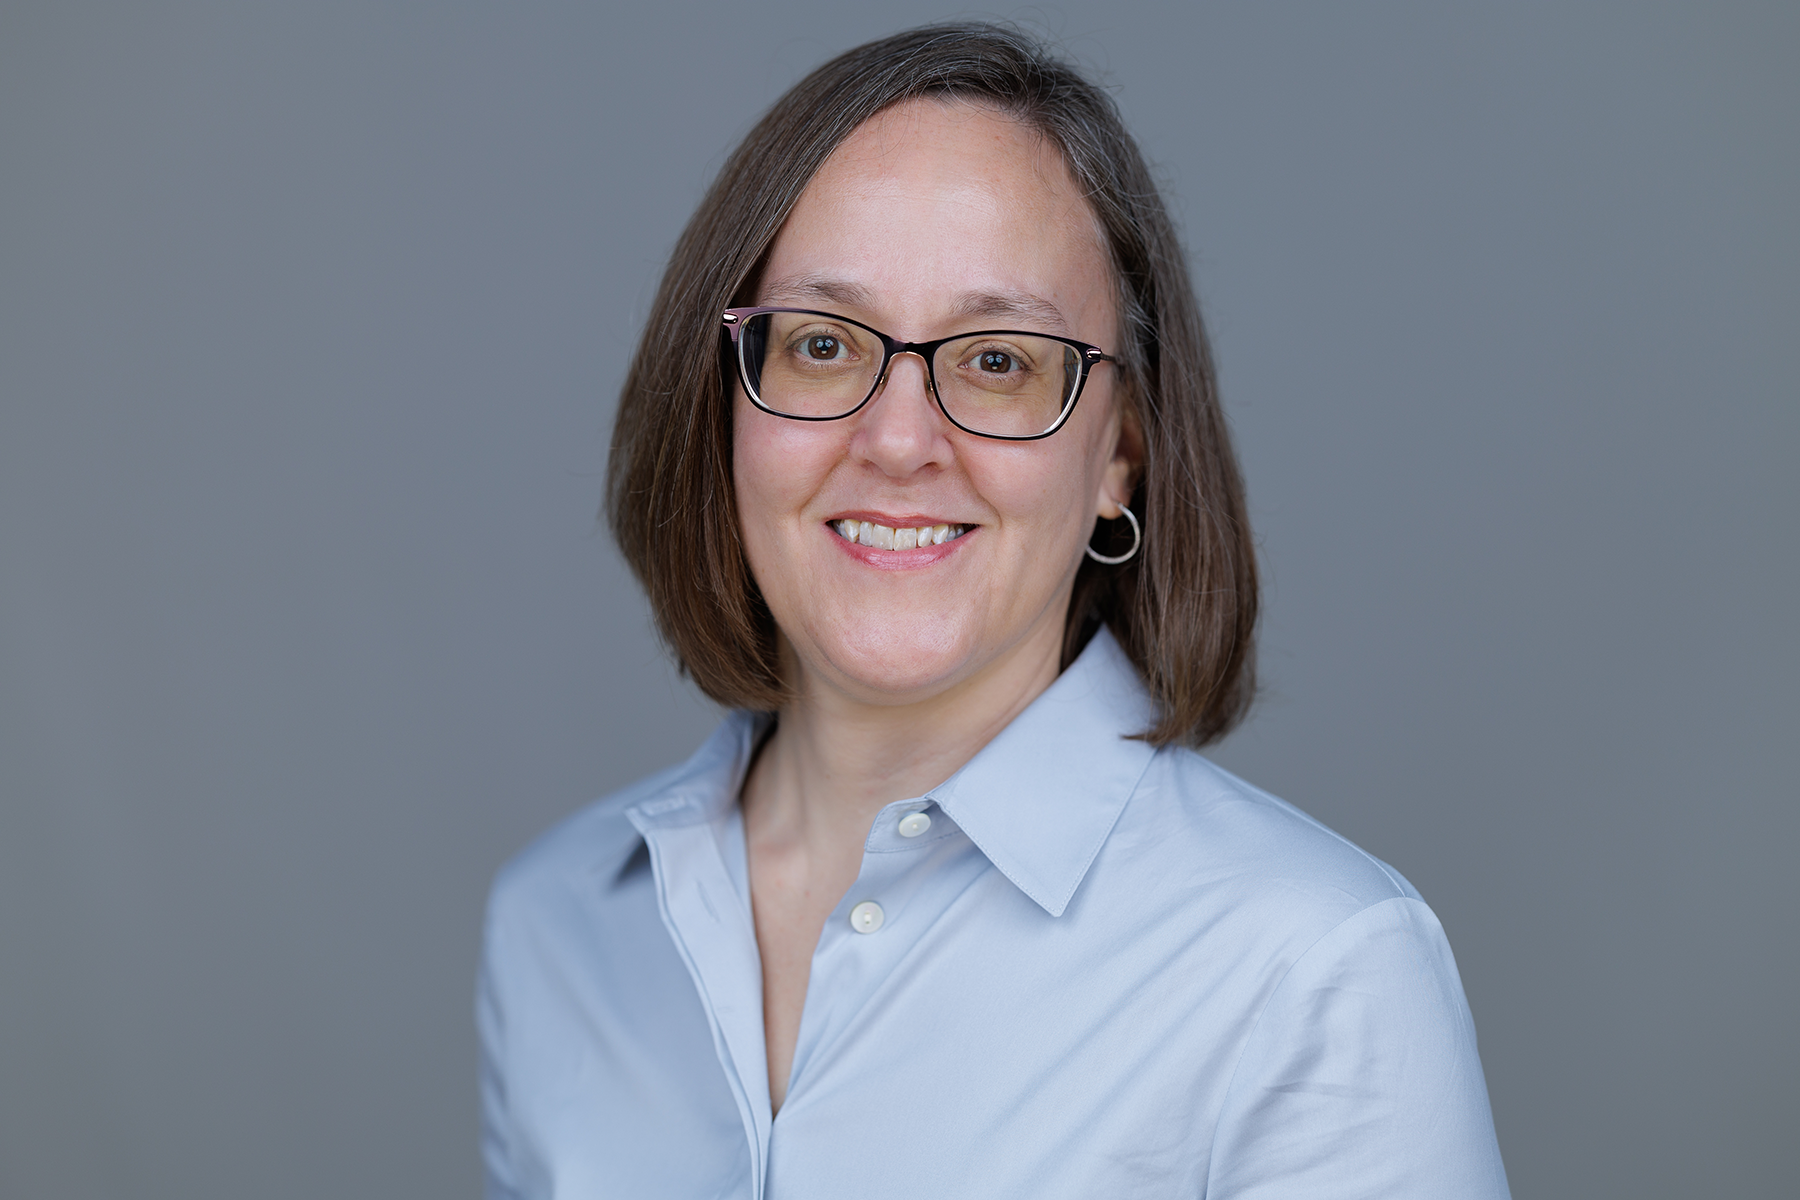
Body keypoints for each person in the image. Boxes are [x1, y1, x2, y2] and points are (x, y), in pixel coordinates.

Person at [478, 23, 1509, 1199]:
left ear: (1120, 455)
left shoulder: (1314, 974)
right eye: (822, 344)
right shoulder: (558, 923)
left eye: (1000, 360)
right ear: (721, 415)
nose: (900, 440)